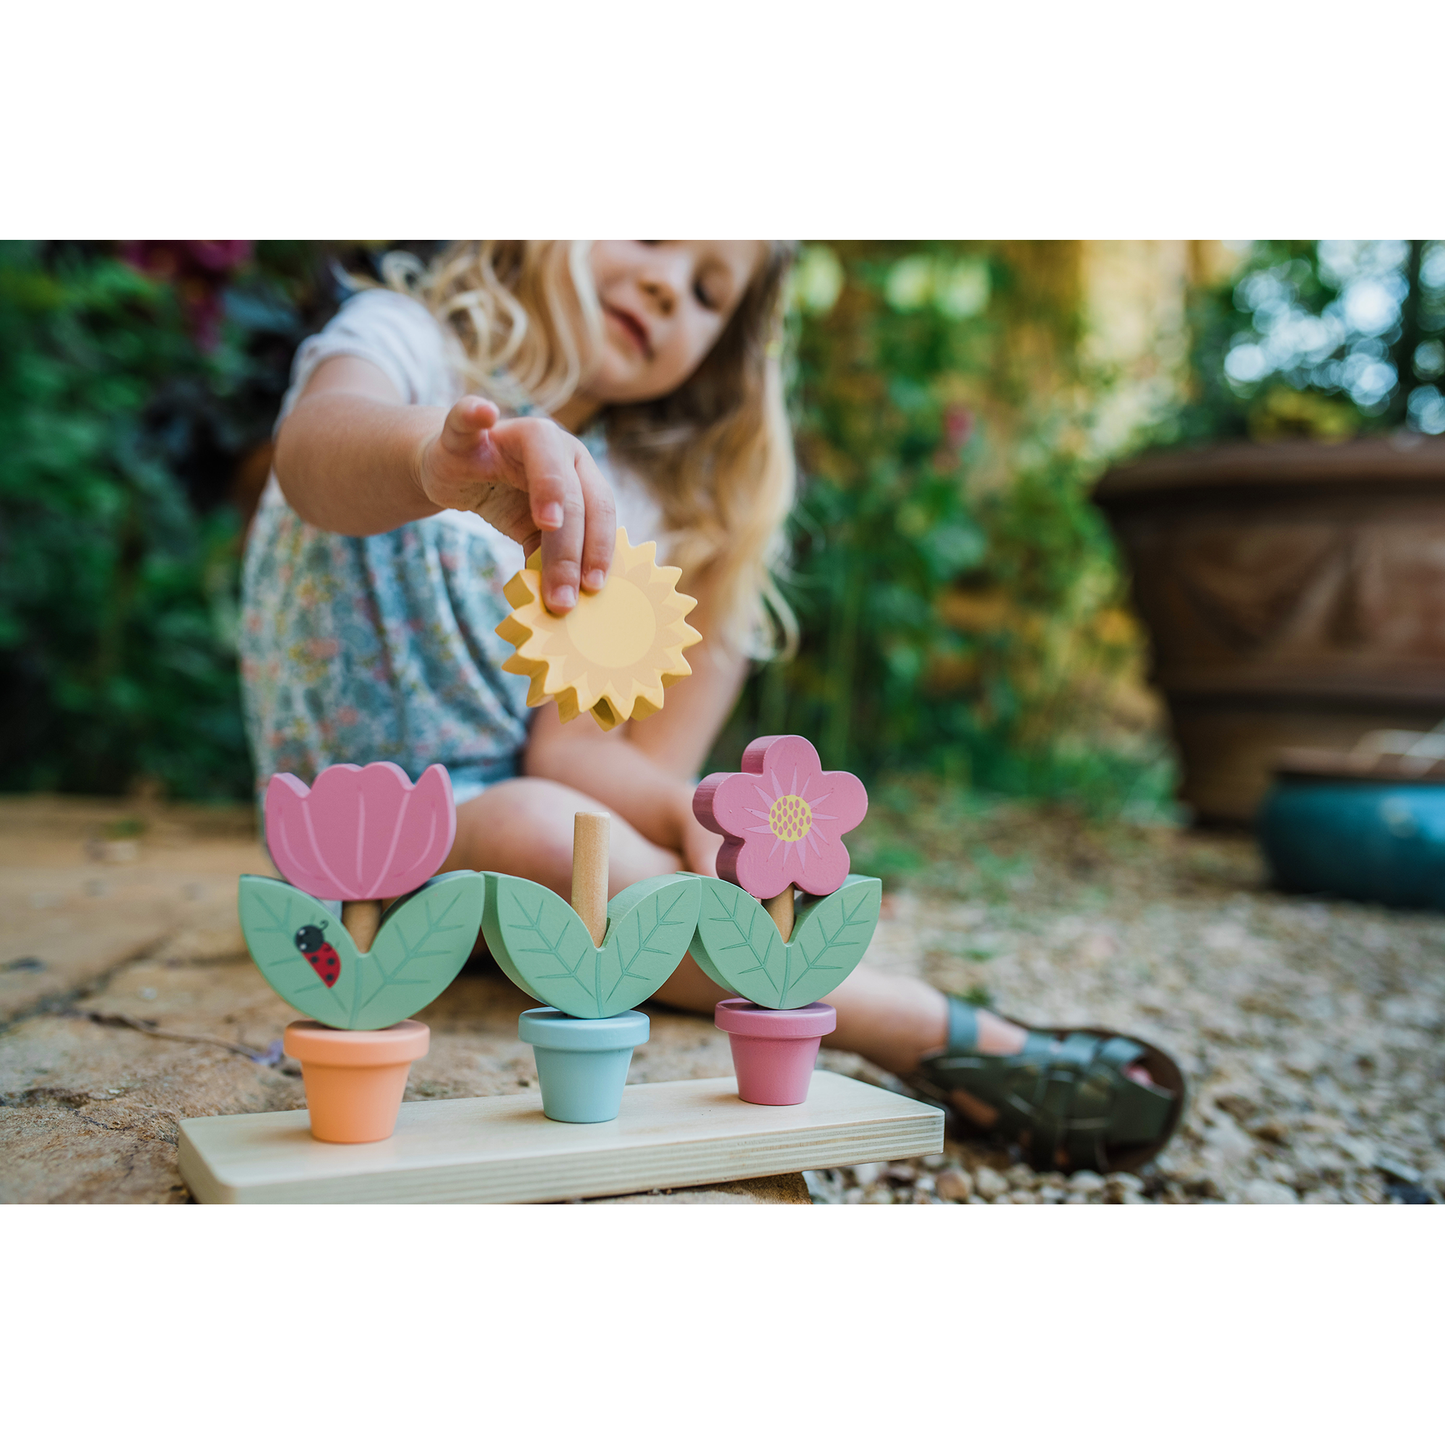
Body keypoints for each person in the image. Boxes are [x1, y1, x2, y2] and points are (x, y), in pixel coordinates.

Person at [241, 240, 1182, 1173]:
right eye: (650, 232)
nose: (664, 282)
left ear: (725, 348)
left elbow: (570, 755)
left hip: (521, 844)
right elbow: (313, 459)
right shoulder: (409, 344)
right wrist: (430, 461)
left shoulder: (651, 507)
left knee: (577, 837)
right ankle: (907, 1021)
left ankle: (866, 996)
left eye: (706, 290)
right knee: (544, 831)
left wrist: (701, 825)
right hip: (347, 850)